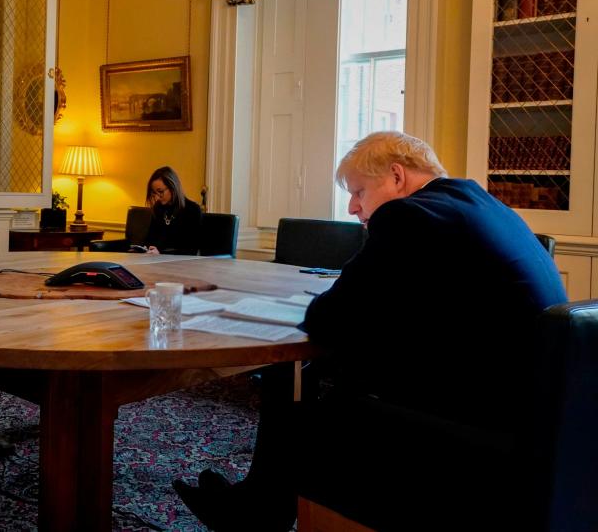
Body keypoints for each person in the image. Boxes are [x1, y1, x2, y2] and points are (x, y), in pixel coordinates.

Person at [172, 131, 568, 530]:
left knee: (293, 376)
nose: (352, 206)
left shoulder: (411, 215)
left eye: (359, 191)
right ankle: (257, 504)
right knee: (315, 370)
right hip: (537, 408)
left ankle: (257, 511)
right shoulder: (478, 203)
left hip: (477, 416)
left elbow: (330, 317)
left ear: (397, 176)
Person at [142, 166, 201, 255]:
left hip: (182, 265)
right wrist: (145, 249)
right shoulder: (158, 208)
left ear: (173, 187)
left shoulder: (192, 210)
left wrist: (160, 253)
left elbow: (190, 250)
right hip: (156, 262)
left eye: (160, 191)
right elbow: (150, 239)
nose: (157, 197)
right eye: (154, 193)